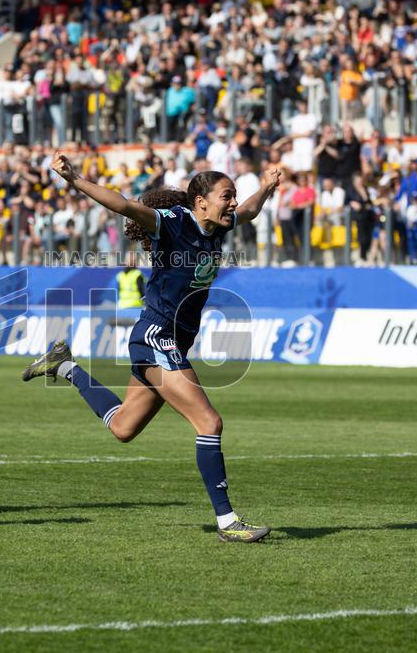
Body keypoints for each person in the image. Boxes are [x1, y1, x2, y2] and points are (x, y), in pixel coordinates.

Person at [23, 152, 281, 543]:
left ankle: (65, 367)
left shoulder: (218, 227)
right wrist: (73, 179)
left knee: (123, 428)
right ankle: (228, 522)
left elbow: (249, 211)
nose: (233, 202)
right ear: (201, 202)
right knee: (209, 422)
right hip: (157, 336)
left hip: (168, 341)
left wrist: (266, 187)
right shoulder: (173, 224)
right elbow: (123, 204)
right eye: (226, 195)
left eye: (233, 196)